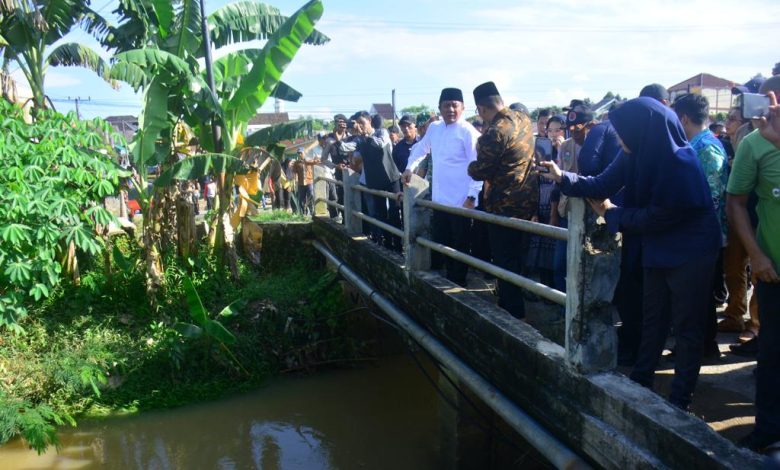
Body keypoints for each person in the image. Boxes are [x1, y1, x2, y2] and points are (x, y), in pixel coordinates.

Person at [540, 97, 721, 410]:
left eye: (623, 131)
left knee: (687, 327)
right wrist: (563, 177)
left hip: (691, 251)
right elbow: (603, 183)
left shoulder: (682, 164)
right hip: (658, 245)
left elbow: (658, 216)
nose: (617, 137)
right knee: (654, 318)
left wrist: (613, 214)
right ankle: (641, 380)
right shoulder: (634, 151)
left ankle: (680, 399)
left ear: (642, 131)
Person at [727, 89, 780, 454]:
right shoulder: (752, 145)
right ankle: (768, 429)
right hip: (773, 271)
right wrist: (756, 255)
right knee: (773, 354)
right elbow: (736, 201)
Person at [467, 81, 538, 318]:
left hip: (503, 204)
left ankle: (512, 311)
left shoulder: (495, 132)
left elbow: (480, 170)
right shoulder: (524, 119)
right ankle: (516, 300)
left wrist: (470, 167)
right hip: (527, 201)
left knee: (504, 257)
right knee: (518, 255)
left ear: (482, 109)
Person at [403, 88, 482, 286]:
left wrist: (472, 196)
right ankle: (448, 277)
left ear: (463, 107)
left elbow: (478, 166)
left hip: (461, 200)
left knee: (460, 243)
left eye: (455, 105)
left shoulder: (468, 131)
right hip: (439, 199)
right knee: (442, 241)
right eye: (446, 105)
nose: (451, 109)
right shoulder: (434, 128)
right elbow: (421, 149)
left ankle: (459, 282)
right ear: (439, 108)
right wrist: (409, 168)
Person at [672, 93, 728, 360]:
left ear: (683, 118)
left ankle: (704, 347)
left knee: (701, 297)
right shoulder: (696, 145)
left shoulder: (707, 148)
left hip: (703, 236)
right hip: (696, 235)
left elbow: (713, 198)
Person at [350, 111, 402, 250]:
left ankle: (398, 245)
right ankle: (386, 244)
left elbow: (381, 144)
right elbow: (355, 156)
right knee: (380, 215)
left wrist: (366, 136)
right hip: (375, 180)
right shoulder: (359, 139)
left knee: (394, 212)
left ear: (370, 121)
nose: (360, 126)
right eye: (358, 124)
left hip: (391, 178)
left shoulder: (382, 132)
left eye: (362, 123)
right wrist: (338, 144)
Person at [527, 115, 565, 290]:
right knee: (540, 252)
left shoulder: (569, 150)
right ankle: (544, 291)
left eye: (558, 129)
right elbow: (535, 181)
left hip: (558, 208)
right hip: (541, 203)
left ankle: (555, 295)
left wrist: (563, 150)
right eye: (550, 130)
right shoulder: (542, 150)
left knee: (556, 256)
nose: (553, 134)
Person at [292, 147, 316, 216]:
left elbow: (316, 163)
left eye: (301, 153)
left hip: (309, 182)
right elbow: (295, 173)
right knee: (301, 199)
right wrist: (295, 183)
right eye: (298, 153)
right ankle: (303, 213)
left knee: (311, 195)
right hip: (300, 183)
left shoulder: (309, 160)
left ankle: (311, 212)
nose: (300, 154)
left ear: (304, 153)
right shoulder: (296, 163)